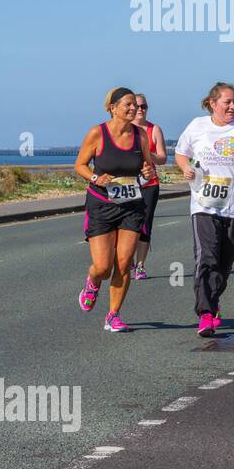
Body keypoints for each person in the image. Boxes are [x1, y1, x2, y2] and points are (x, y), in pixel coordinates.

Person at [174, 81, 234, 337]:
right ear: (213, 103)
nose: (233, 106)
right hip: (203, 203)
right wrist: (185, 168)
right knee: (207, 257)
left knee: (224, 264)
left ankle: (212, 303)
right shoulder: (197, 126)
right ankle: (205, 314)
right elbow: (181, 153)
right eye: (227, 101)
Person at [74, 86, 160, 332]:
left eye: (136, 104)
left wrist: (147, 171)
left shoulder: (140, 135)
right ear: (112, 108)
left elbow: (147, 166)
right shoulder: (97, 133)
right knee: (103, 266)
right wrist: (94, 178)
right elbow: (79, 164)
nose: (134, 108)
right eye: (128, 105)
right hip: (102, 204)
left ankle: (113, 315)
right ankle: (92, 282)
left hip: (132, 205)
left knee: (123, 264)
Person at [131, 93, 167, 280]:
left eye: (143, 106)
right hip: (127, 184)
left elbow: (162, 158)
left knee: (144, 224)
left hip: (149, 183)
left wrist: (148, 154)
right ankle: (126, 256)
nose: (139, 110)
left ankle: (140, 265)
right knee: (128, 223)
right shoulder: (124, 129)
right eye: (136, 106)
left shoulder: (154, 129)